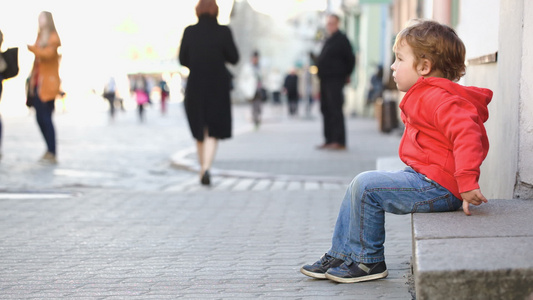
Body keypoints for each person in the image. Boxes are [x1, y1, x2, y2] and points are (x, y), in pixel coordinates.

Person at [300, 19, 492, 284]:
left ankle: (368, 261)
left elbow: (468, 135)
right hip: (428, 178)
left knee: (367, 186)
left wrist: (468, 181)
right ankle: (342, 253)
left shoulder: (440, 99)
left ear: (424, 67)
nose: (392, 65)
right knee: (360, 184)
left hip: (441, 187)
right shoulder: (427, 94)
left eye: (400, 59)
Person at [179, 0, 239, 185]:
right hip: (217, 85)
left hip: (196, 84)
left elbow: (182, 59)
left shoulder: (190, 31)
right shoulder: (223, 31)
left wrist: (197, 62)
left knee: (199, 127)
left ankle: (202, 168)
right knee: (213, 129)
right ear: (216, 11)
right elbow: (234, 57)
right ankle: (206, 167)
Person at [315, 14, 355, 150]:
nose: (330, 26)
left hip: (335, 80)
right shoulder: (328, 40)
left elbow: (350, 59)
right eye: (328, 23)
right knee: (325, 109)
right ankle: (329, 139)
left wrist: (347, 75)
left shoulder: (342, 39)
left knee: (335, 109)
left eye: (332, 23)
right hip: (325, 79)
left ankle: (339, 141)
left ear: (337, 24)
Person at [27, 11, 61, 164]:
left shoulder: (53, 37)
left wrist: (33, 49)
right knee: (39, 118)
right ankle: (48, 149)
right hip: (37, 83)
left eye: (42, 18)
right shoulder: (40, 38)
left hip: (48, 84)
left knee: (46, 118)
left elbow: (48, 55)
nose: (40, 21)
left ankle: (52, 151)